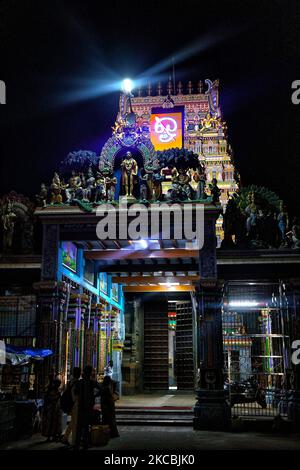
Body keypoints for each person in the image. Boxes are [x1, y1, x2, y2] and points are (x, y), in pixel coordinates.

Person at [74, 365, 101, 450]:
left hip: (80, 406)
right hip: (88, 406)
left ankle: (77, 444)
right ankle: (85, 443)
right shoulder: (92, 382)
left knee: (79, 426)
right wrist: (94, 395)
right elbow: (101, 389)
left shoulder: (79, 382)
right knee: (86, 426)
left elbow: (75, 392)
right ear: (90, 373)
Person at [61, 367, 81, 447]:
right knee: (75, 423)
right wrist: (75, 402)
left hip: (70, 404)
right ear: (79, 374)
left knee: (72, 422)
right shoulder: (77, 383)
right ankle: (74, 442)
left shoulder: (70, 382)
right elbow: (74, 395)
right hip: (74, 404)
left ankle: (65, 438)